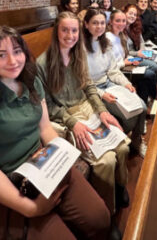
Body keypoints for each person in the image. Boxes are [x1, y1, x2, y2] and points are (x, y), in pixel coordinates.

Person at [0, 27, 110, 239]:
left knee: (100, 218)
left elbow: (45, 128)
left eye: (17, 51)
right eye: (1, 55)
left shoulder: (31, 81)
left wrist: (62, 157)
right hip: (6, 180)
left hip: (41, 162)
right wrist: (30, 208)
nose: (13, 61)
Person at [36, 11, 130, 216]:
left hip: (87, 106)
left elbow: (89, 88)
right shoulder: (43, 64)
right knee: (106, 161)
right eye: (65, 30)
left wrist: (103, 111)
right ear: (56, 31)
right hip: (66, 115)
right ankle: (107, 211)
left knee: (122, 146)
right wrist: (73, 123)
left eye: (74, 30)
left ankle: (120, 187)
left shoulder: (79, 55)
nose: (70, 35)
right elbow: (49, 106)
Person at [82, 9, 147, 158]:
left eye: (102, 23)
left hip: (108, 83)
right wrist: (102, 94)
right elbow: (83, 81)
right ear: (86, 24)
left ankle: (137, 141)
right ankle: (123, 143)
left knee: (142, 107)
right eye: (95, 23)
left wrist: (125, 84)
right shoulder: (80, 47)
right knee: (128, 115)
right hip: (94, 90)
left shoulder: (105, 43)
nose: (99, 26)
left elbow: (113, 71)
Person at [106, 9, 157, 106]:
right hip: (119, 70)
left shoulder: (120, 35)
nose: (121, 24)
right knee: (150, 73)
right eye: (118, 21)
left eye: (123, 21)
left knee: (152, 64)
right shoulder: (108, 38)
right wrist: (126, 62)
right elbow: (110, 66)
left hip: (128, 61)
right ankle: (154, 98)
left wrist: (134, 59)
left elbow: (126, 54)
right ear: (110, 22)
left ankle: (147, 102)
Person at [122, 4, 157, 77]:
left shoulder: (134, 27)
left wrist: (142, 52)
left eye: (135, 15)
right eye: (130, 13)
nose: (132, 16)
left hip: (137, 54)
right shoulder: (120, 29)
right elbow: (124, 52)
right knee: (154, 66)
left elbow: (141, 42)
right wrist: (137, 54)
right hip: (129, 57)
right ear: (124, 13)